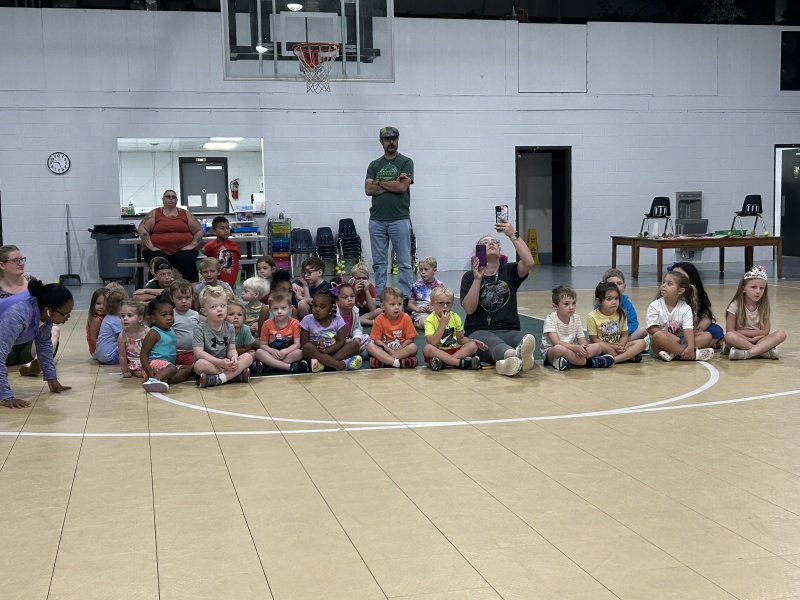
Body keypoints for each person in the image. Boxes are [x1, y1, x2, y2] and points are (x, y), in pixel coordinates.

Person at [460, 218, 537, 376]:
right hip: (479, 331)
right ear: (478, 252)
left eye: (494, 242)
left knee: (527, 337)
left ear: (500, 250)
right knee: (493, 342)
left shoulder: (509, 271)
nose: (491, 243)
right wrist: (477, 279)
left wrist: (512, 235)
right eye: (485, 243)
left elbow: (529, 262)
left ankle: (507, 363)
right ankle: (514, 356)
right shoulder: (469, 277)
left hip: (508, 330)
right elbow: (469, 309)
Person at [0, 279, 73, 408]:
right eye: (65, 314)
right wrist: (6, 396)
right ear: (48, 310)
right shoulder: (17, 315)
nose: (68, 317)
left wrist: (51, 378)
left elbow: (44, 345)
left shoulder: (44, 313)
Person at [364, 126, 414, 296]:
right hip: (376, 220)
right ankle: (380, 297)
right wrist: (393, 182)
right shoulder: (374, 165)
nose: (391, 142)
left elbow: (402, 187)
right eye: (387, 139)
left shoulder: (406, 162)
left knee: (404, 262)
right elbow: (368, 190)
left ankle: (405, 296)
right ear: (381, 142)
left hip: (400, 219)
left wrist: (379, 182)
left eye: (394, 138)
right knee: (379, 263)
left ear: (398, 140)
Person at [0, 245, 60, 376]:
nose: (21, 263)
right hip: (5, 341)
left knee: (54, 329)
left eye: (22, 259)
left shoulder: (33, 282)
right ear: (2, 265)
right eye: (15, 260)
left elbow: (45, 311)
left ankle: (34, 364)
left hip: (28, 340)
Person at [540, 285, 614, 371]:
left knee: (598, 346)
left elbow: (581, 339)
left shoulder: (576, 318)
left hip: (573, 351)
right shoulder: (550, 320)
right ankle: (590, 363)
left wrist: (583, 348)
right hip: (552, 352)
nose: (571, 307)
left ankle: (566, 362)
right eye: (566, 304)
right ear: (555, 306)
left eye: (574, 303)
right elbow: (556, 342)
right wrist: (576, 348)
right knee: (558, 349)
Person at [646, 270, 715, 362]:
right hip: (659, 346)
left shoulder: (685, 308)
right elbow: (651, 329)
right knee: (658, 335)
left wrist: (690, 347)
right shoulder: (654, 305)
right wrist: (670, 336)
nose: (663, 285)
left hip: (679, 340)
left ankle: (674, 353)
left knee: (707, 336)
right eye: (664, 282)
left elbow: (688, 330)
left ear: (680, 290)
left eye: (669, 283)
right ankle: (692, 355)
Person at [137, 189, 203, 283]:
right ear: (163, 199)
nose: (171, 199)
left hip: (183, 250)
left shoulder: (186, 214)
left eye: (173, 197)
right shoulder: (154, 213)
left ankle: (191, 289)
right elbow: (142, 230)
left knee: (187, 261)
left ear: (177, 200)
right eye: (168, 196)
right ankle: (155, 290)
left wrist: (192, 245)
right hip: (158, 250)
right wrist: (151, 247)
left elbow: (199, 230)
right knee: (159, 263)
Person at [193, 286, 253, 387]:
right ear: (204, 311)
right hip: (211, 363)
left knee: (248, 357)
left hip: (226, 362)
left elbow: (231, 349)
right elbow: (199, 353)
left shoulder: (230, 327)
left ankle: (220, 378)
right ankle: (235, 375)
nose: (219, 309)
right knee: (199, 365)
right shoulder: (199, 329)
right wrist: (220, 363)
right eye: (213, 307)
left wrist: (234, 358)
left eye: (222, 306)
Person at [723, 265, 786, 360]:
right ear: (743, 288)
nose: (758, 291)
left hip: (759, 340)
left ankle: (747, 353)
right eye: (753, 287)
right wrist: (750, 339)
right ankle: (762, 352)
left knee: (781, 334)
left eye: (761, 288)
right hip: (741, 339)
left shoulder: (764, 306)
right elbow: (730, 331)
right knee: (729, 336)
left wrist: (743, 332)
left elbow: (765, 331)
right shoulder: (735, 306)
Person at [423, 286, 485, 371]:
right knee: (427, 348)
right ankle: (459, 363)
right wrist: (443, 324)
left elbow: (461, 339)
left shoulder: (455, 317)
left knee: (473, 346)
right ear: (432, 304)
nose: (445, 306)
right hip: (437, 353)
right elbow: (432, 343)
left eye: (448, 303)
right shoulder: (429, 320)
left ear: (452, 304)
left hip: (453, 351)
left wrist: (471, 341)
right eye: (440, 303)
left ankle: (444, 363)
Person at [300, 289, 362, 372]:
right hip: (316, 353)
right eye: (314, 306)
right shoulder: (307, 320)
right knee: (307, 347)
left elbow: (341, 341)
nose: (317, 309)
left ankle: (323, 365)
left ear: (330, 308)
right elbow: (303, 342)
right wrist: (317, 343)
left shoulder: (338, 320)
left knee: (354, 345)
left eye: (322, 307)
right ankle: (340, 365)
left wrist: (327, 350)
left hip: (334, 351)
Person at [141, 297, 194, 393]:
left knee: (189, 368)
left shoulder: (172, 330)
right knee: (172, 368)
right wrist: (148, 370)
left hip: (167, 367)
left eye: (171, 314)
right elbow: (143, 353)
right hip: (153, 366)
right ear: (153, 318)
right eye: (164, 315)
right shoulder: (154, 333)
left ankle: (168, 380)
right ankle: (153, 381)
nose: (169, 317)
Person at [668, 262, 724, 349]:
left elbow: (706, 317)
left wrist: (698, 330)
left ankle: (682, 348)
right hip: (672, 330)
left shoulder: (699, 294)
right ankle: (699, 346)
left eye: (681, 276)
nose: (677, 279)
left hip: (694, 329)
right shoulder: (666, 295)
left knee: (716, 330)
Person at [587, 281, 646, 364]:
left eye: (616, 298)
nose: (614, 302)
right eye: (609, 299)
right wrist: (613, 346)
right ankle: (627, 356)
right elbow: (594, 339)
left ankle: (613, 360)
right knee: (598, 346)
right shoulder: (592, 316)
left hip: (617, 347)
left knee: (642, 343)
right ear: (599, 301)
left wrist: (621, 345)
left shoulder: (621, 314)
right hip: (604, 347)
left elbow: (624, 335)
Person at [253, 291, 307, 373]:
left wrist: (285, 351)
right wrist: (272, 351)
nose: (279, 311)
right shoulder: (266, 324)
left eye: (283, 308)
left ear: (290, 308)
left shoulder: (295, 323)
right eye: (275, 308)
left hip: (288, 353)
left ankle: (271, 366)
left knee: (299, 353)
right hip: (271, 353)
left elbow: (297, 344)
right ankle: (288, 367)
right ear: (270, 310)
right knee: (259, 352)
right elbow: (263, 345)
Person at [367, 287, 419, 369]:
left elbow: (410, 339)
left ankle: (384, 361)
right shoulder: (379, 319)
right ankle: (398, 363)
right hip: (385, 350)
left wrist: (398, 350)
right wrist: (389, 350)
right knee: (370, 346)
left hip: (401, 351)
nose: (397, 307)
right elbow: (377, 340)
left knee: (413, 347)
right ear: (383, 306)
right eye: (392, 304)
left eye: (400, 304)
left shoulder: (406, 317)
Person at [599, 268, 646, 341]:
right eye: (612, 284)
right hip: (606, 335)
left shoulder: (628, 304)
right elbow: (597, 322)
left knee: (643, 331)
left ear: (624, 287)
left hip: (624, 335)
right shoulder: (600, 303)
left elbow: (633, 323)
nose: (616, 286)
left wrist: (623, 332)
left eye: (619, 283)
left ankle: (623, 342)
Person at [202, 216, 241, 289]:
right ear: (214, 232)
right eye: (222, 228)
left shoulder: (234, 245)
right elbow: (204, 251)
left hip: (231, 283)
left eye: (227, 228)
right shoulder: (211, 246)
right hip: (215, 283)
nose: (226, 231)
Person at [169, 279, 201, 367]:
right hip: (177, 352)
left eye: (187, 297)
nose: (183, 301)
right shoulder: (170, 315)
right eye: (179, 298)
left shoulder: (195, 314)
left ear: (193, 297)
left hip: (195, 351)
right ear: (172, 298)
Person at [94, 284, 127, 365]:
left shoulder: (108, 317)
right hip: (110, 357)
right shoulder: (115, 320)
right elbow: (124, 339)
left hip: (100, 356)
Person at [334, 282, 371, 355]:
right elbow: (330, 332)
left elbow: (357, 328)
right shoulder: (334, 313)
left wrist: (357, 340)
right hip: (337, 340)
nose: (350, 299)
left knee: (366, 337)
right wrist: (344, 340)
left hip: (350, 340)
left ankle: (351, 351)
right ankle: (350, 353)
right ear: (337, 301)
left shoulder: (355, 311)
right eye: (345, 297)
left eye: (352, 296)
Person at [408, 256, 443, 329]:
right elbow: (410, 304)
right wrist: (418, 309)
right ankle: (414, 323)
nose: (423, 272)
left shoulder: (440, 285)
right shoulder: (416, 285)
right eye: (421, 270)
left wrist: (436, 309)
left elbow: (443, 302)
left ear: (434, 271)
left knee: (445, 321)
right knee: (426, 323)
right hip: (421, 313)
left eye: (426, 269)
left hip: (435, 311)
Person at [117, 299, 149, 379]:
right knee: (143, 373)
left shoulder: (147, 331)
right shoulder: (123, 336)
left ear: (140, 318)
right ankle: (135, 372)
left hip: (148, 359)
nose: (125, 318)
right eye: (122, 316)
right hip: (135, 363)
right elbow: (122, 356)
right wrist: (124, 371)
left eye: (129, 315)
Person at [86, 287, 106, 356]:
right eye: (98, 303)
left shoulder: (106, 316)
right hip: (97, 351)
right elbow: (93, 339)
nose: (101, 307)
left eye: (105, 304)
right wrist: (103, 349)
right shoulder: (96, 320)